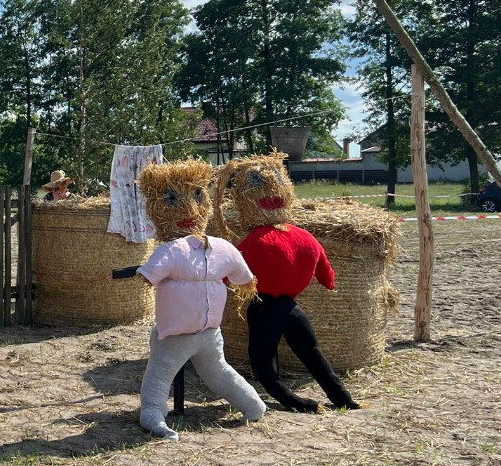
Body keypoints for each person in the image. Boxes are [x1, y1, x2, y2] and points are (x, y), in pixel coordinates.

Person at [214, 153, 367, 412]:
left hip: (263, 308)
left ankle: (300, 403)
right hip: (292, 309)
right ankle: (344, 399)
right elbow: (326, 273)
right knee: (313, 355)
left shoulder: (255, 242)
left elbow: (229, 273)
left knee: (263, 365)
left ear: (247, 201)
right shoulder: (306, 237)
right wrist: (329, 283)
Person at [135, 159, 268, 441]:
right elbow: (246, 281)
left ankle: (152, 415)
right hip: (209, 332)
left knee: (160, 375)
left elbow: (148, 277)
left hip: (178, 333)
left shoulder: (171, 250)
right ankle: (253, 405)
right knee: (219, 373)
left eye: (198, 195)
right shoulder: (224, 247)